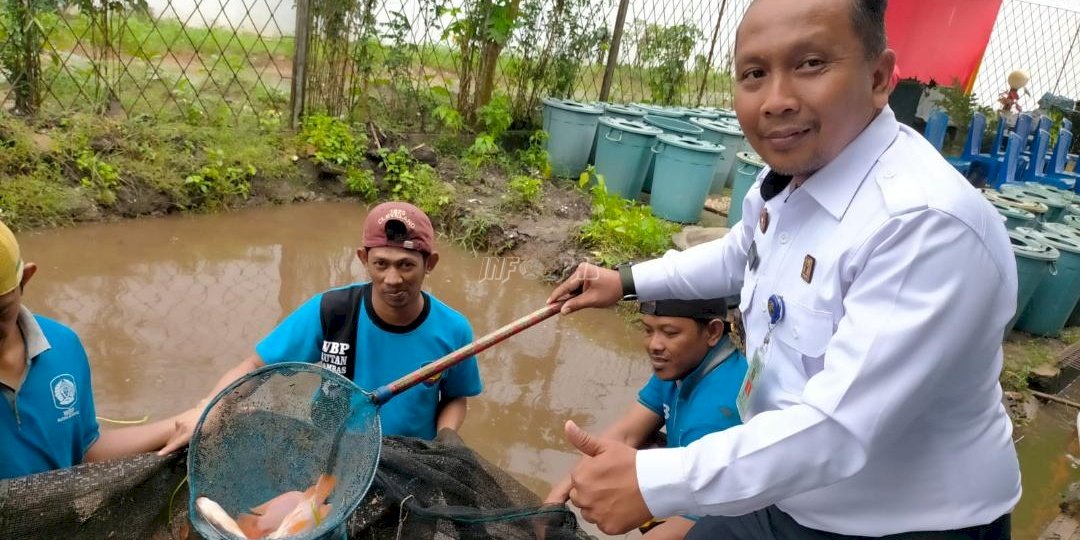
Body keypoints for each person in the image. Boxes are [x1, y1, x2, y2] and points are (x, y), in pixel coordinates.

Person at [546, 0, 1020, 538]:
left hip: (901, 522)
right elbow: (739, 253)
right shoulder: (796, 176)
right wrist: (625, 281)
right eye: (754, 73)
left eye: (811, 64)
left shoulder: (923, 226)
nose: (776, 101)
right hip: (786, 481)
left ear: (880, 77)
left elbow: (837, 429)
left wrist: (652, 481)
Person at [164, 201, 482, 452]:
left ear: (431, 264)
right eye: (381, 264)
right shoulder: (331, 311)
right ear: (363, 259)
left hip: (414, 459)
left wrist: (446, 438)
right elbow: (254, 366)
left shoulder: (453, 330)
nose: (392, 279)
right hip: (332, 452)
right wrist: (208, 408)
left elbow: (455, 397)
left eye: (407, 265)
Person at [0, 220, 196, 479]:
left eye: (1, 311)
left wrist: (178, 425)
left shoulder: (62, 346)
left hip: (59, 517)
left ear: (26, 278)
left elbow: (84, 451)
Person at [544, 298, 747, 540]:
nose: (654, 345)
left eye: (670, 333)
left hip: (727, 513)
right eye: (648, 330)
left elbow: (700, 519)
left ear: (713, 332)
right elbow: (627, 433)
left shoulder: (715, 414)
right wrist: (554, 500)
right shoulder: (681, 364)